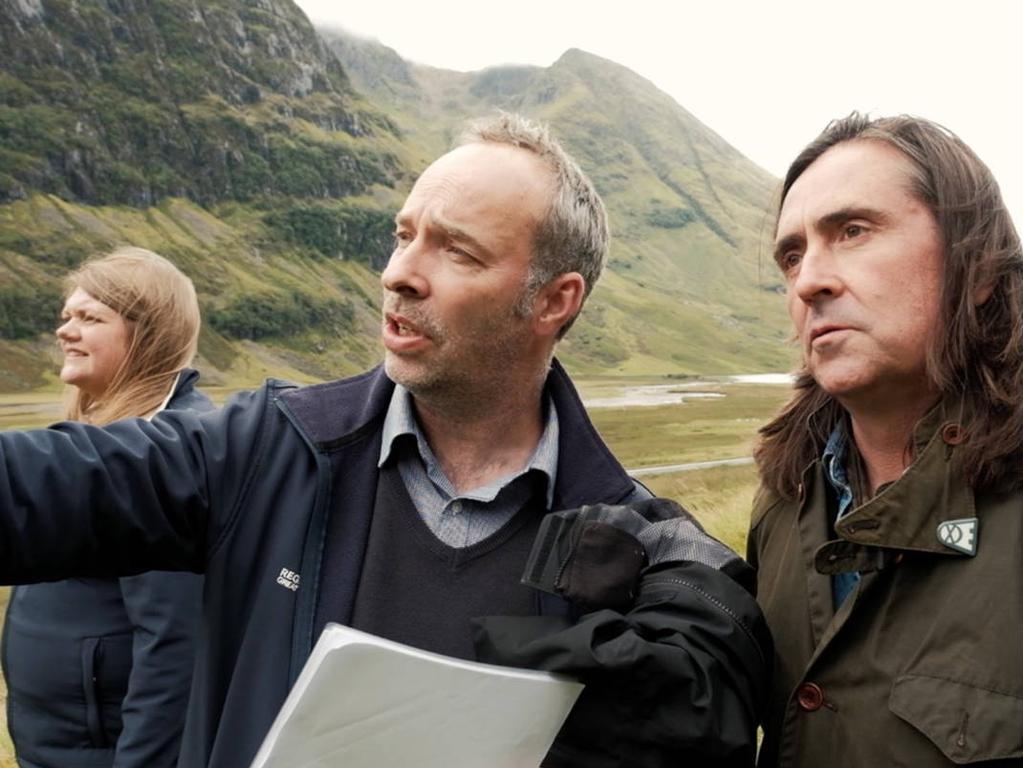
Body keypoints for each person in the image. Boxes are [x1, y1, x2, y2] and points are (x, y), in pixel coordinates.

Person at [0, 114, 769, 767]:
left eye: (456, 251)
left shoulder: (632, 537)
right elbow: (47, 487)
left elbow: (714, 696)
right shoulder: (265, 449)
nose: (399, 273)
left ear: (553, 301)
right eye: (402, 236)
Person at [748, 113, 1023, 767]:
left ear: (976, 265)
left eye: (852, 231)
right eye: (791, 255)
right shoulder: (780, 504)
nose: (809, 279)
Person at [2, 247, 211, 767]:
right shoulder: (106, 436)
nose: (64, 331)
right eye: (66, 316)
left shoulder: (165, 456)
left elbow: (173, 650)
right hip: (62, 747)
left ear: (148, 336)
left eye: (89, 318)